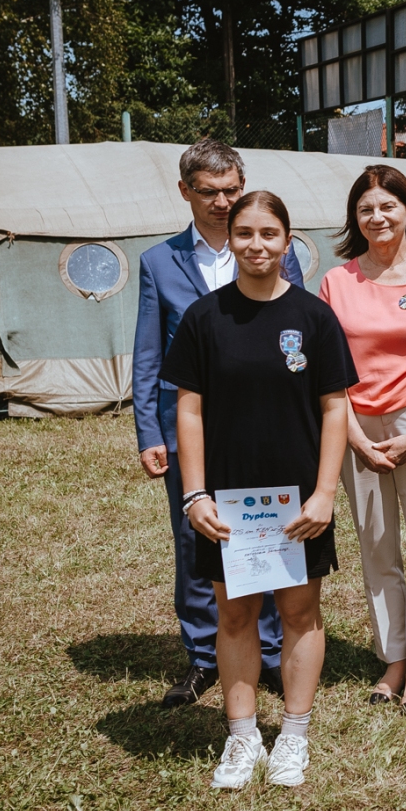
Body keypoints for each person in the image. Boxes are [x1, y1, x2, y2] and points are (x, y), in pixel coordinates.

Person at [161, 191, 357, 790]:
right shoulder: (204, 318)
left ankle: (293, 735)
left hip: (298, 502)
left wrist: (324, 493)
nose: (256, 245)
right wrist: (195, 494)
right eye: (244, 233)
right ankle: (242, 736)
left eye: (269, 234)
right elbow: (188, 411)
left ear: (287, 240)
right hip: (228, 502)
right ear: (231, 239)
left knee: (299, 612)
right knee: (236, 613)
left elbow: (335, 408)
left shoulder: (314, 318)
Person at [133, 139, 304, 709]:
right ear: (185, 191)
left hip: (265, 423)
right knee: (196, 536)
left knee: (270, 526)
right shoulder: (159, 262)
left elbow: (296, 339)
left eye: (231, 190)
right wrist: (149, 432)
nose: (223, 202)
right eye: (209, 192)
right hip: (188, 424)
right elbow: (148, 353)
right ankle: (204, 655)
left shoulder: (270, 249)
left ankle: (270, 650)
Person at [319, 165, 406, 713]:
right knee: (376, 547)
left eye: (386, 206)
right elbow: (330, 373)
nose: (376, 217)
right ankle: (393, 657)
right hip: (355, 424)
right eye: (365, 209)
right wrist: (354, 436)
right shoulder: (337, 282)